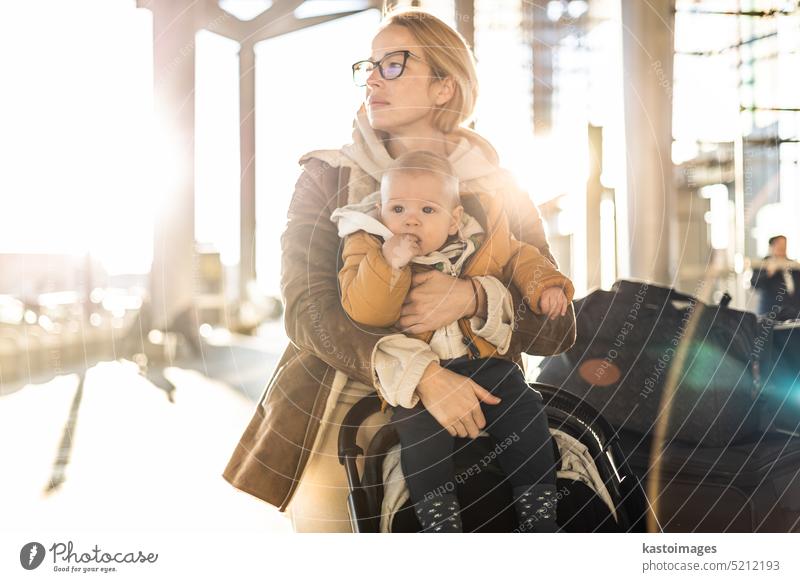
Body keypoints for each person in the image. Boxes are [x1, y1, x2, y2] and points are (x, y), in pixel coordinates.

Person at [221, 8, 576, 533]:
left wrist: (475, 298)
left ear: (444, 88)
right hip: (340, 402)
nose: (370, 77)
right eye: (369, 64)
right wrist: (424, 377)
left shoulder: (502, 187)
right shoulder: (328, 176)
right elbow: (305, 311)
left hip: (482, 404)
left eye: (393, 65)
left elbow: (558, 328)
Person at [330, 150, 574, 532]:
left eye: (427, 211)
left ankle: (539, 507)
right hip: (418, 377)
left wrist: (547, 286)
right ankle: (439, 519)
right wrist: (387, 264)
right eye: (397, 209)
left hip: (484, 363)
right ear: (380, 211)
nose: (410, 219)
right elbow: (363, 311)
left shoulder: (484, 237)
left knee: (525, 408)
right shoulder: (369, 245)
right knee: (419, 437)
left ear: (454, 219)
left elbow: (524, 259)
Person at [750, 235, 800, 319]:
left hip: (792, 314)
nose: (783, 248)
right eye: (780, 245)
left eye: (784, 245)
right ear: (772, 247)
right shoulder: (763, 264)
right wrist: (768, 273)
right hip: (769, 313)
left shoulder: (792, 265)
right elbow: (754, 284)